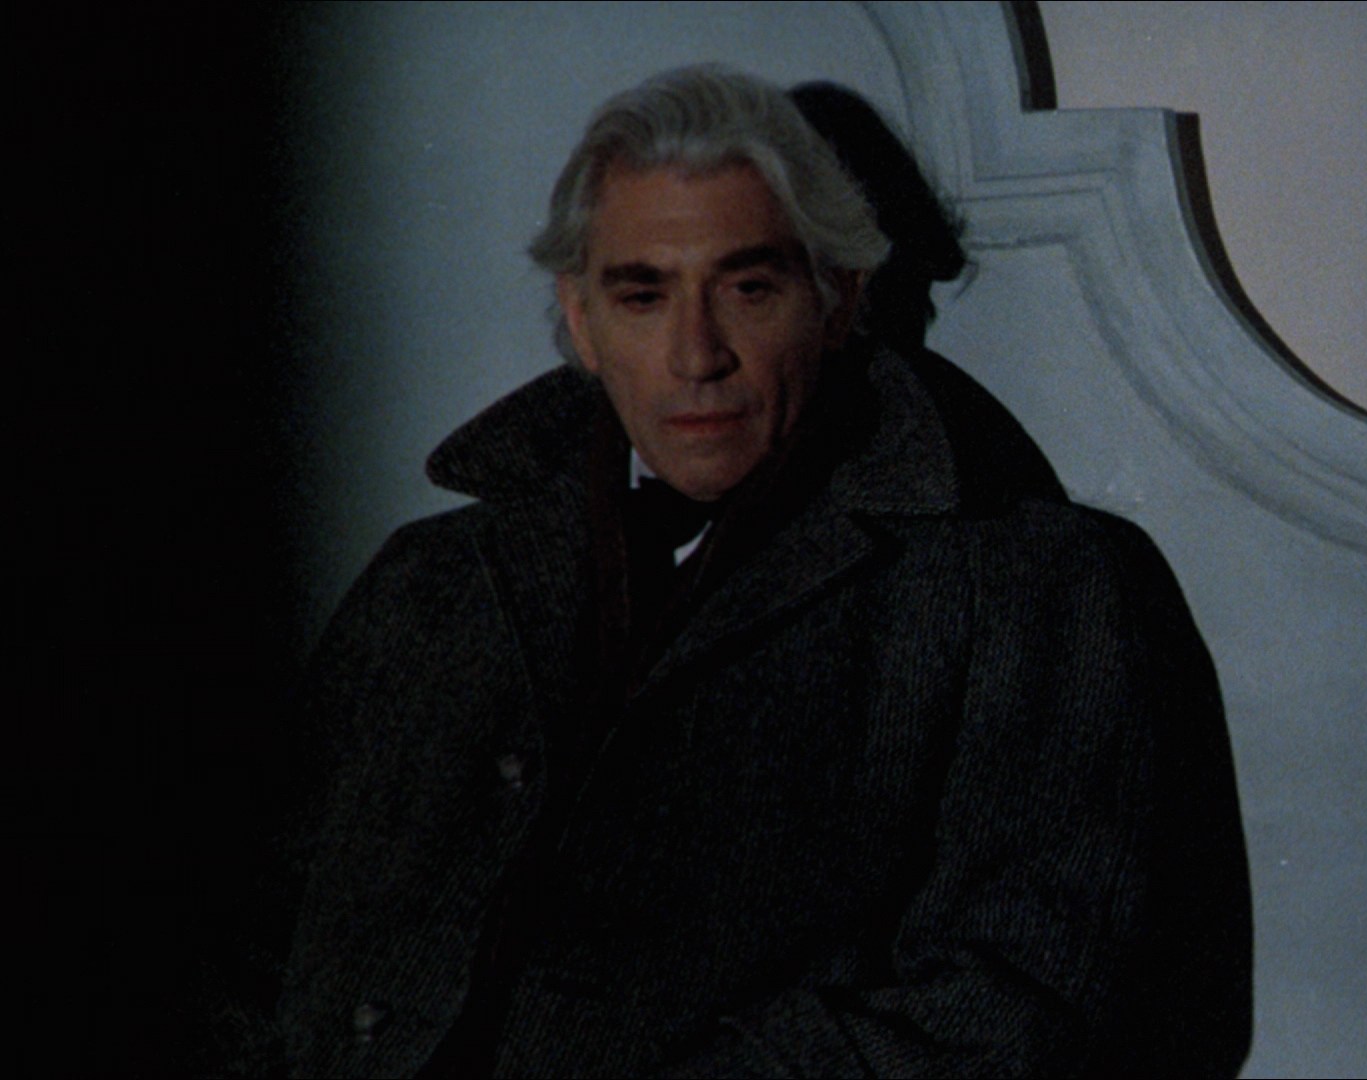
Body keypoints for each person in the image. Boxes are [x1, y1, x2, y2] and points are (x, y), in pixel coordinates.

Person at [271, 65, 1251, 1077]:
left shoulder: (1036, 593)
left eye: (749, 289)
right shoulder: (429, 584)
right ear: (581, 320)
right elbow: (238, 949)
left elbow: (1027, 1006)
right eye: (643, 295)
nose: (697, 355)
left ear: (837, 300)